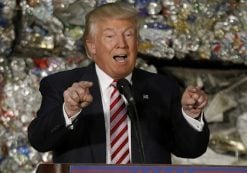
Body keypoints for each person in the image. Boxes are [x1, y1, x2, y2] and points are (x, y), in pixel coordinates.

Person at [28, 2, 209, 164]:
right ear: (92, 46)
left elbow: (190, 149)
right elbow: (39, 141)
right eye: (110, 36)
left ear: (137, 43)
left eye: (128, 35)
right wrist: (69, 110)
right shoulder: (61, 85)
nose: (121, 44)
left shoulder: (162, 88)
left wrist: (191, 115)